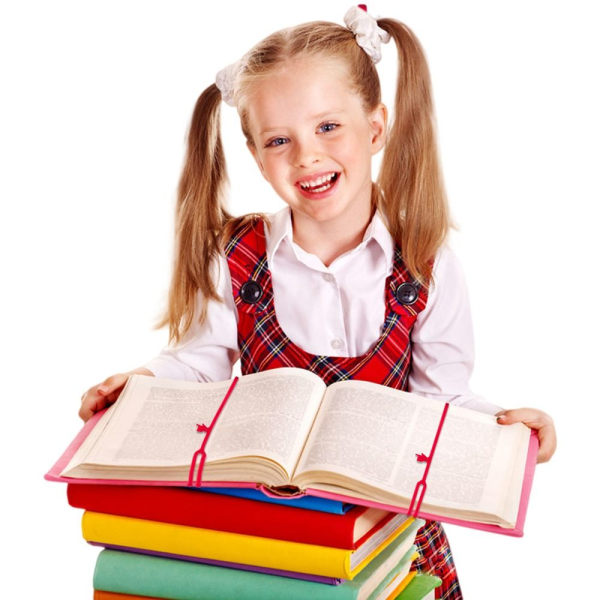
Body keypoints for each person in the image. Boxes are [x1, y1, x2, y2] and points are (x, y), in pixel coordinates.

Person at [78, 6, 556, 599]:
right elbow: (199, 365)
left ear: (375, 129)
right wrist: (141, 384)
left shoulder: (426, 264)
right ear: (257, 156)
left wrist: (509, 431)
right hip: (271, 534)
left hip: (388, 538)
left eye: (328, 127)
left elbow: (441, 400)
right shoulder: (235, 257)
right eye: (279, 140)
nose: (306, 156)